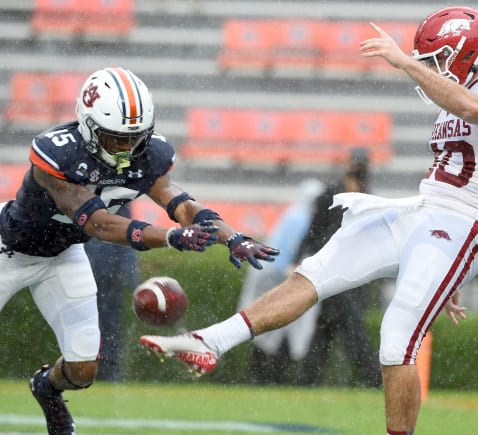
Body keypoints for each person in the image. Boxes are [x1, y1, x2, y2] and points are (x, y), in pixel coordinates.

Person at [140, 6, 478, 434]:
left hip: (465, 223)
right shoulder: (455, 102)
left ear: (468, 54)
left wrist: (404, 63)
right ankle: (211, 342)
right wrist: (447, 272)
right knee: (313, 274)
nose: (430, 70)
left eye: (438, 60)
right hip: (422, 212)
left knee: (398, 334)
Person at [0, 67, 279, 435]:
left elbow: (179, 201)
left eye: (135, 138)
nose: (127, 148)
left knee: (82, 371)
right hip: (9, 250)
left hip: (61, 256)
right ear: (89, 127)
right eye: (117, 139)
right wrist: (170, 238)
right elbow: (98, 224)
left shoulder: (149, 154)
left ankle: (47, 389)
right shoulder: (57, 154)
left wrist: (231, 236)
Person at [295, 149, 382, 388]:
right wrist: (300, 259)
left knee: (325, 329)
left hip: (351, 273)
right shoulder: (330, 196)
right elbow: (312, 231)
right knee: (352, 329)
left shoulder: (368, 199)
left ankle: (307, 380)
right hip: (331, 270)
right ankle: (375, 379)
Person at [236, 178, 325, 384]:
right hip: (275, 277)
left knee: (267, 327)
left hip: (272, 275)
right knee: (273, 325)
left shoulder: (294, 215)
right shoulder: (300, 218)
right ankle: (267, 376)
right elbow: (288, 256)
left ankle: (265, 376)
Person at [84, 205, 139, 382]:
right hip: (86, 273)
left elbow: (129, 233)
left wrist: (130, 273)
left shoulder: (119, 199)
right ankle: (82, 367)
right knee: (84, 324)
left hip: (110, 277)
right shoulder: (76, 194)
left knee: (111, 326)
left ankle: (109, 370)